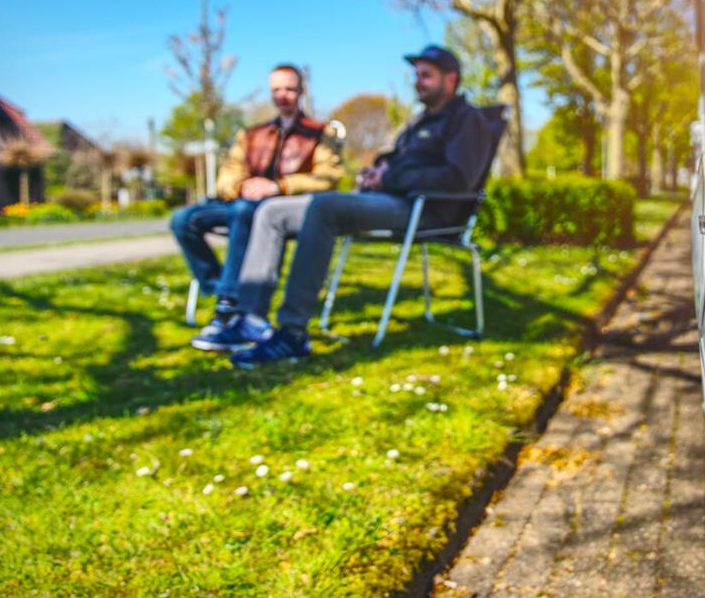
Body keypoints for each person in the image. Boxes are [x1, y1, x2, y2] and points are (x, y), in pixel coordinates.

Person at [193, 45, 488, 367]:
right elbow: (393, 162)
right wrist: (376, 171)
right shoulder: (420, 121)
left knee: (323, 207)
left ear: (451, 79)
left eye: (426, 75)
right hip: (387, 198)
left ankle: (292, 334)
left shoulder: (467, 120)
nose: (418, 81)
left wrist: (390, 178)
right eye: (416, 74)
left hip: (424, 211)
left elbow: (459, 178)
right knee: (271, 211)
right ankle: (249, 318)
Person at [170, 64, 343, 349]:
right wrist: (242, 186)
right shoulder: (251, 135)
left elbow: (328, 177)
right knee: (183, 220)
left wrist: (280, 186)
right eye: (277, 89)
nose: (283, 95)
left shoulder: (318, 133)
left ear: (301, 91)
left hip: (280, 208)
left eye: (289, 88)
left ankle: (229, 308)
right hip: (242, 202)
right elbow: (228, 174)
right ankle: (220, 288)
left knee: (246, 212)